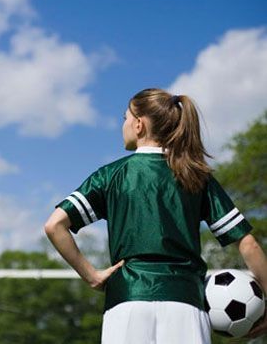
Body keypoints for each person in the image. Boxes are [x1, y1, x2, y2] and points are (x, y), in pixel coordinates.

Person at [44, 88, 267, 344]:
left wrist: (91, 276)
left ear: (139, 125)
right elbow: (248, 243)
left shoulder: (111, 175)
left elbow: (55, 226)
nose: (123, 124)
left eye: (125, 117)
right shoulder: (196, 175)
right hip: (186, 305)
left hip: (127, 302)